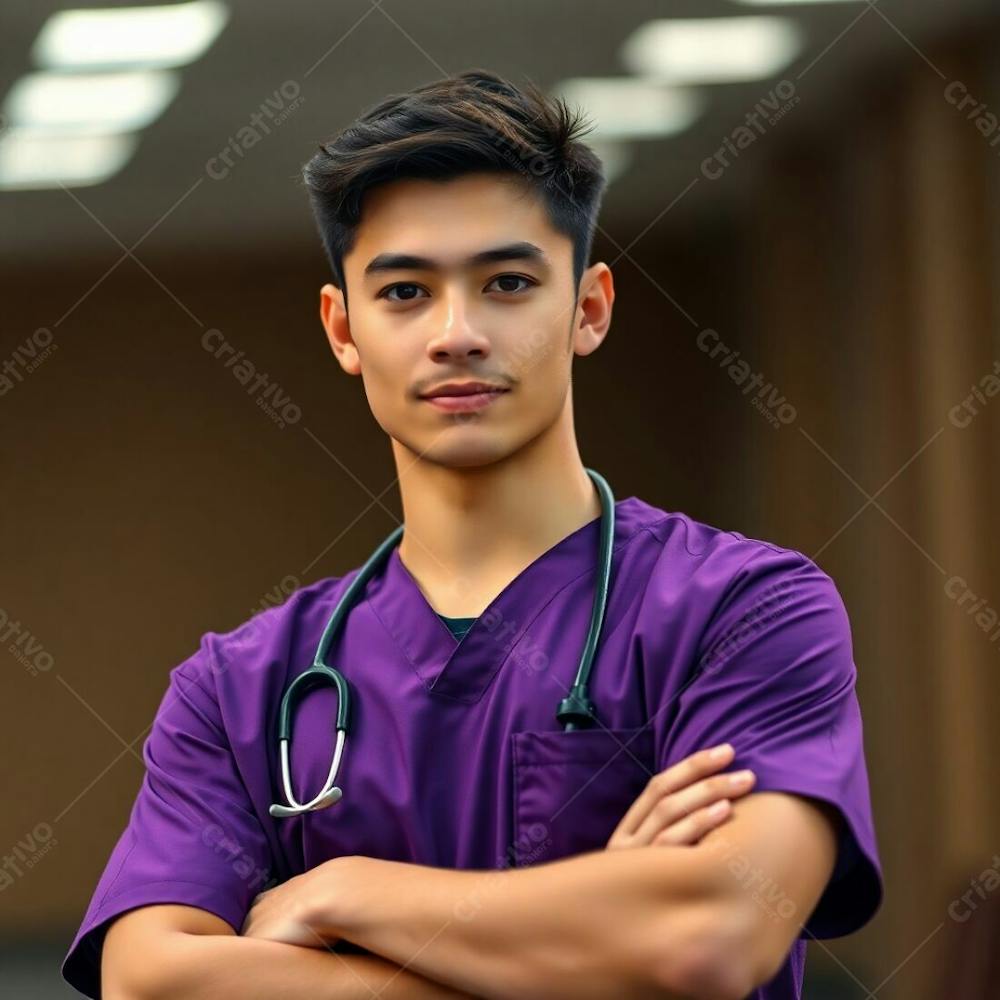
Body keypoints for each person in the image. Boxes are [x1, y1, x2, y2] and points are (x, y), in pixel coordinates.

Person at [61, 68, 883, 999]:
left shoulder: (743, 612)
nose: (456, 333)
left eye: (506, 282)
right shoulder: (242, 688)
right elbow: (154, 982)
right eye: (405, 293)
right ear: (343, 330)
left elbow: (712, 933)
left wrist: (342, 895)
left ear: (589, 308)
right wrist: (593, 944)